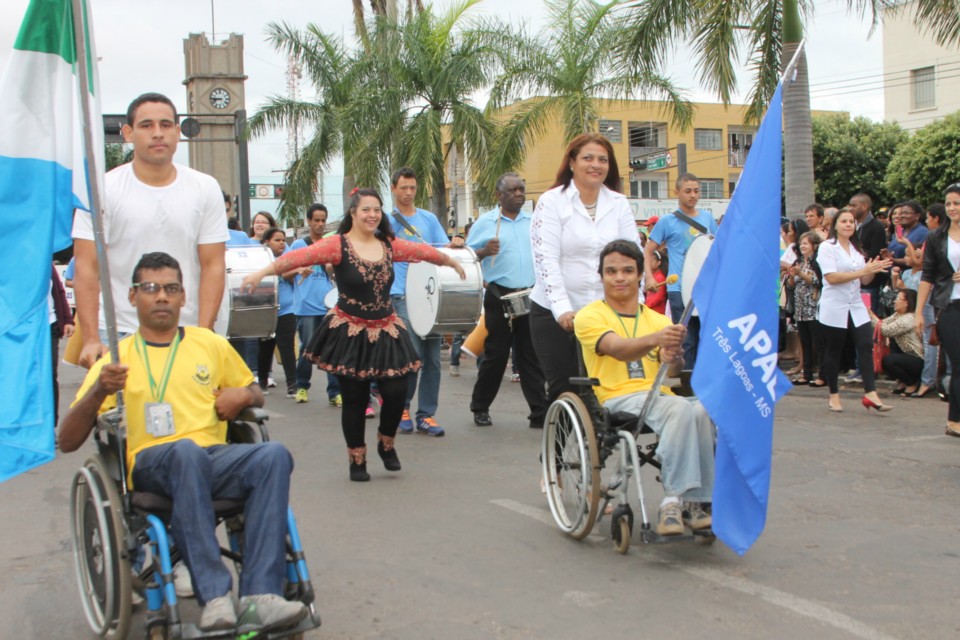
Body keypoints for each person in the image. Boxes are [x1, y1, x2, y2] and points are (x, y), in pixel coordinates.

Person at [58, 252, 306, 633]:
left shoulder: (208, 344)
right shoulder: (117, 360)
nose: (161, 297)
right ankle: (215, 595)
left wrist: (243, 397)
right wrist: (96, 395)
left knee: (272, 455)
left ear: (183, 297)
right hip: (153, 465)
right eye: (151, 288)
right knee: (185, 453)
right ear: (132, 297)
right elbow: (68, 440)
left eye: (170, 289)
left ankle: (259, 596)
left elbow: (254, 389)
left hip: (211, 458)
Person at [241, 189, 466, 481]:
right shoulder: (338, 245)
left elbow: (420, 251)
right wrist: (261, 273)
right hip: (349, 330)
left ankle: (386, 445)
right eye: (365, 210)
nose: (372, 215)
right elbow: (300, 256)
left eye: (376, 209)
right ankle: (356, 460)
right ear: (353, 213)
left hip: (386, 328)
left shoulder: (388, 244)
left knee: (396, 391)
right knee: (356, 399)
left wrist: (450, 261)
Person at [72, 92, 227, 369]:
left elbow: (213, 264)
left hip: (185, 331)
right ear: (128, 133)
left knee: (189, 413)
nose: (158, 134)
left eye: (166, 125)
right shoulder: (101, 189)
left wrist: (204, 334)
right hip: (119, 333)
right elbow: (87, 267)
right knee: (123, 414)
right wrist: (92, 338)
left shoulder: (204, 188)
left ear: (178, 133)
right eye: (147, 125)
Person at [574, 240, 715, 536]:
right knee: (678, 408)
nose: (620, 277)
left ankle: (697, 503)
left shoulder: (658, 318)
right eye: (611, 271)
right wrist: (656, 340)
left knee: (703, 409)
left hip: (657, 398)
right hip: (615, 398)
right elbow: (618, 349)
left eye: (628, 270)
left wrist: (672, 355)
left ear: (640, 275)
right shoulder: (589, 316)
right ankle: (672, 501)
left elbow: (673, 370)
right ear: (601, 276)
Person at [529, 133, 641, 403]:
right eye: (588, 158)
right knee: (566, 392)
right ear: (571, 163)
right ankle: (562, 446)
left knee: (605, 392)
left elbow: (634, 259)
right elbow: (546, 260)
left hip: (604, 315)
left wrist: (637, 307)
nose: (596, 165)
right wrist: (562, 309)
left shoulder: (618, 203)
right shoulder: (552, 202)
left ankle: (597, 446)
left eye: (602, 160)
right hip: (555, 314)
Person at [466, 173, 547, 429]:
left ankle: (538, 412)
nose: (518, 194)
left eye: (521, 189)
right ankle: (480, 407)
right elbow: (468, 259)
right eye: (512, 190)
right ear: (499, 195)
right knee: (496, 355)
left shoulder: (533, 222)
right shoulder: (486, 223)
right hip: (499, 294)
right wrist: (482, 251)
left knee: (529, 356)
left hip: (530, 295)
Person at [388, 167, 464, 436]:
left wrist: (454, 244)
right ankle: (402, 408)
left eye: (412, 188)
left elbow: (440, 250)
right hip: (399, 295)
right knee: (413, 354)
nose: (409, 193)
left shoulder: (429, 219)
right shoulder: (386, 221)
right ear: (393, 189)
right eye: (404, 188)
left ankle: (426, 415)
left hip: (428, 295)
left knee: (432, 359)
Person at [816, 209, 893, 412]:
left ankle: (871, 393)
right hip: (834, 305)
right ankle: (833, 394)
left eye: (851, 221)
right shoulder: (827, 248)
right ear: (836, 225)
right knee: (835, 350)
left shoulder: (857, 249)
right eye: (844, 221)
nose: (848, 224)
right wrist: (862, 271)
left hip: (856, 304)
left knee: (866, 344)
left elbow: (864, 279)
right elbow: (831, 278)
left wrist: (872, 270)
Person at [644, 173, 719, 370]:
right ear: (676, 192)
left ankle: (704, 381)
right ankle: (687, 382)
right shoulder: (667, 221)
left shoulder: (707, 219)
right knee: (686, 339)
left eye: (696, 191)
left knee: (708, 337)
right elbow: (648, 250)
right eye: (687, 191)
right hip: (678, 288)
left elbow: (716, 250)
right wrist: (649, 276)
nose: (692, 195)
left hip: (705, 288)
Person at [916, 183, 960, 436]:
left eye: (957, 203)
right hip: (949, 307)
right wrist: (919, 312)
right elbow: (928, 275)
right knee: (958, 364)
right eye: (949, 203)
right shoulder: (935, 237)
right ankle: (954, 420)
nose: (952, 208)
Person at [286, 204, 341, 406]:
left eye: (323, 220)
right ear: (308, 221)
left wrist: (332, 267)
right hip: (306, 307)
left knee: (332, 350)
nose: (320, 224)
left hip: (328, 306)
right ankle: (301, 386)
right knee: (307, 349)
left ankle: (334, 392)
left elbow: (334, 271)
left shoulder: (330, 244)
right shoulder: (299, 245)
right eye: (316, 220)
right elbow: (284, 272)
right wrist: (298, 270)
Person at [257, 228, 298, 397]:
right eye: (277, 240)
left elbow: (291, 278)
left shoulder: (288, 259)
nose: (282, 243)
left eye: (283, 240)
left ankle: (293, 385)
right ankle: (262, 382)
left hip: (287, 309)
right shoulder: (260, 261)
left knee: (286, 347)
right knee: (265, 347)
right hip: (266, 310)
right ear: (267, 242)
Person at [869, 289, 924, 396]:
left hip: (917, 359)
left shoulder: (909, 318)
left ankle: (911, 383)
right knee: (886, 358)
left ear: (906, 302)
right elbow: (882, 323)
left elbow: (886, 330)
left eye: (897, 298)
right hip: (907, 356)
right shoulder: (898, 315)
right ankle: (904, 381)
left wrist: (870, 314)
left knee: (888, 361)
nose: (894, 301)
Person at [785, 232, 823, 385]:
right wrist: (793, 275)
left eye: (806, 243)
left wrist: (800, 272)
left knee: (819, 343)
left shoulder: (817, 262)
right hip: (800, 309)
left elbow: (816, 281)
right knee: (805, 342)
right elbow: (791, 285)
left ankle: (822, 375)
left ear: (814, 245)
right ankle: (806, 374)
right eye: (801, 243)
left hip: (813, 308)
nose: (802, 246)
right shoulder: (799, 261)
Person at [848, 192, 888, 314]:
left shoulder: (876, 227)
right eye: (850, 206)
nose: (850, 209)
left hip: (870, 283)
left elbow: (875, 254)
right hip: (854, 281)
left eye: (854, 205)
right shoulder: (854, 226)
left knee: (868, 317)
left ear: (864, 206)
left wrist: (854, 252)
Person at [888, 201, 929, 269]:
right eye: (901, 213)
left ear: (917, 216)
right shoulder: (900, 230)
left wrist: (893, 260)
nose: (902, 216)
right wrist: (887, 255)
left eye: (906, 213)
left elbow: (918, 259)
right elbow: (895, 246)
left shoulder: (923, 232)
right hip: (892, 273)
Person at [644, 249, 669, 316]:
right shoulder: (652, 276)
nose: (649, 263)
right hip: (650, 310)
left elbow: (658, 297)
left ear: (658, 263)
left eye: (652, 261)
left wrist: (646, 306)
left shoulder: (660, 277)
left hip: (657, 312)